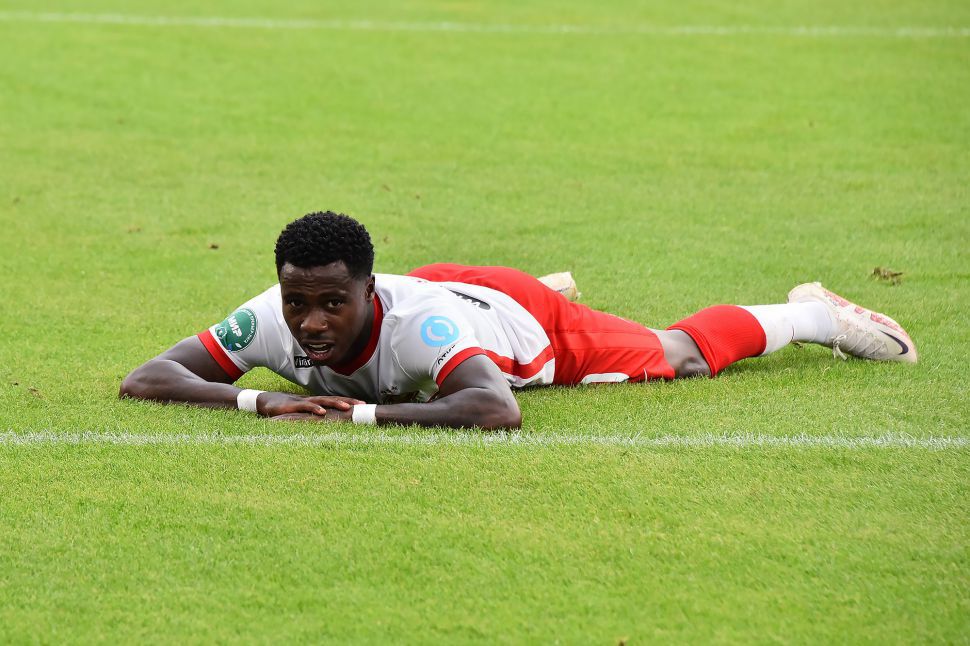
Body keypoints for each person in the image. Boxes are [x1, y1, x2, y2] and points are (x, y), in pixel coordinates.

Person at [120, 211, 918, 429]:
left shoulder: (418, 326)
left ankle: (811, 316)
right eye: (298, 302)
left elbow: (495, 408)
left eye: (334, 302)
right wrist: (265, 399)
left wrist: (355, 414)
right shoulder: (272, 315)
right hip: (443, 295)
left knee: (676, 354)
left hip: (518, 323)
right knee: (438, 328)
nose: (311, 322)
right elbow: (148, 377)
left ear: (367, 290)